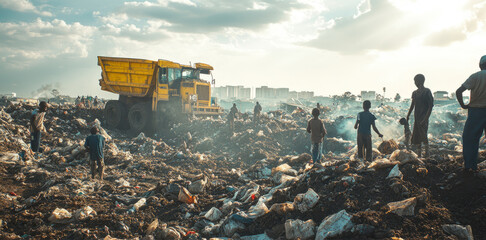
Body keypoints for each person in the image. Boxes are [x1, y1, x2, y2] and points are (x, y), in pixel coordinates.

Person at [456, 55, 486, 174]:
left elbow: (459, 91)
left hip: (476, 111)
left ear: (480, 65)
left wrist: (463, 105)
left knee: (470, 139)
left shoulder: (475, 76)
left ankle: (470, 166)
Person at [406, 74, 434, 158]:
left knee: (423, 135)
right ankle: (419, 154)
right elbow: (412, 105)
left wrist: (426, 119)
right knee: (417, 136)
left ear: (420, 81)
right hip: (417, 117)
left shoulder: (427, 91)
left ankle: (427, 153)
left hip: (423, 117)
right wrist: (408, 115)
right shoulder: (414, 93)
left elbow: (430, 106)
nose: (415, 83)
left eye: (415, 81)